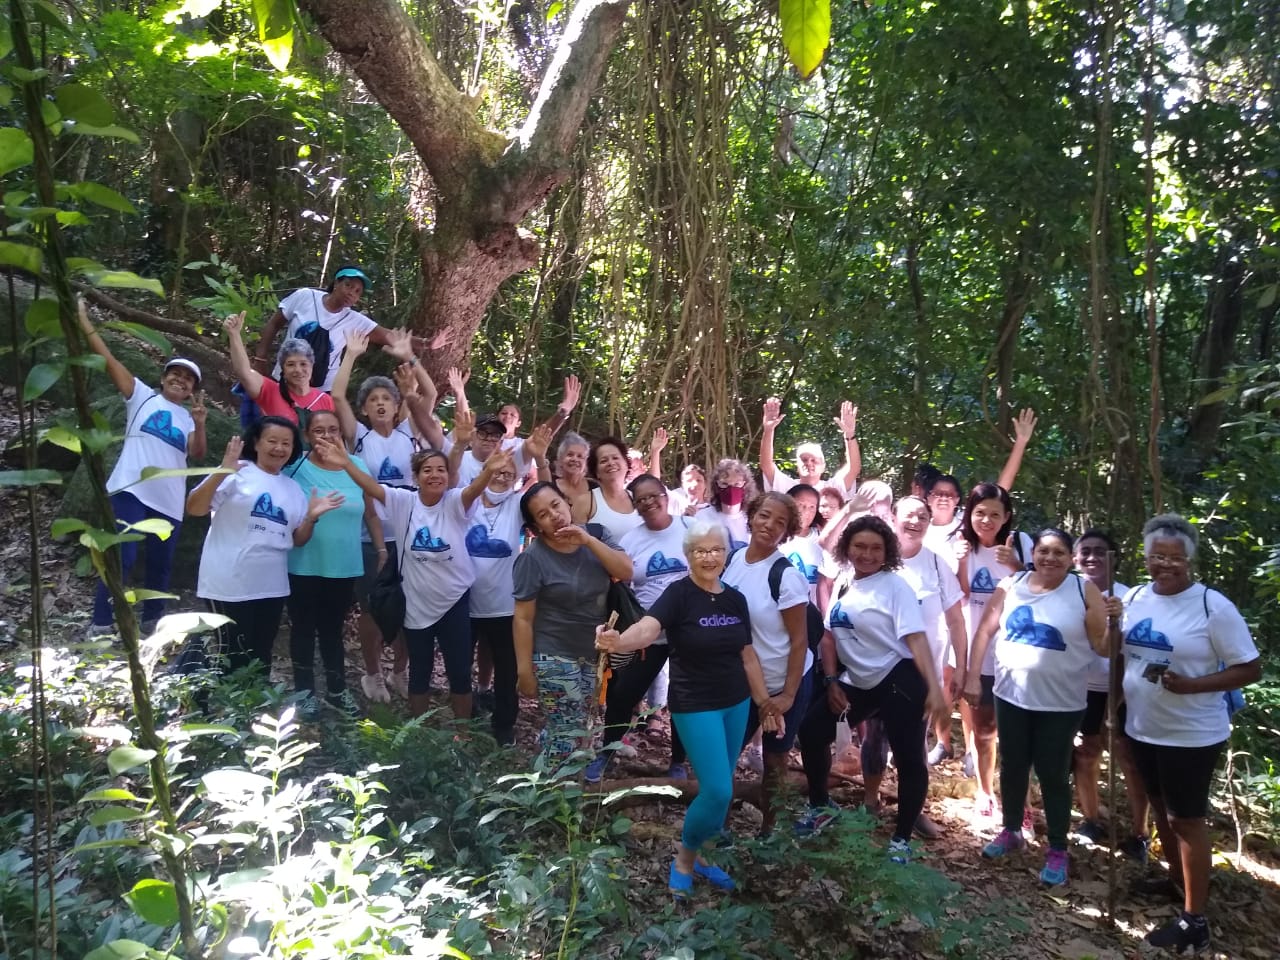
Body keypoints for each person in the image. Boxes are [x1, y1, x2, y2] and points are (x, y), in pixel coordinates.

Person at [595, 520, 778, 897]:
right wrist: (618, 641)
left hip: (736, 702)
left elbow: (748, 657)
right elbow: (648, 628)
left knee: (721, 788)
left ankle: (707, 856)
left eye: (715, 550)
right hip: (695, 703)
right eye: (700, 551)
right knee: (717, 790)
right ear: (688, 556)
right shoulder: (679, 594)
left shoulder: (735, 599)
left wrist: (764, 703)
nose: (708, 557)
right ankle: (685, 857)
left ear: (726, 554)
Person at [1104, 514, 1260, 955]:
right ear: (1146, 557)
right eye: (1157, 556)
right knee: (1159, 806)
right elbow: (1121, 656)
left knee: (1185, 819)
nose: (1165, 564)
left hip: (1191, 732)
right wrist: (1115, 701)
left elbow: (1249, 667)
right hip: (1142, 726)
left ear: (1189, 559)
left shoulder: (1213, 606)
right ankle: (1177, 882)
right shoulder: (1134, 596)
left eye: (1174, 557)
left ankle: (1196, 920)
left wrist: (1193, 685)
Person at [320, 416, 504, 720]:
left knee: (459, 671)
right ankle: (416, 734)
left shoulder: (455, 501)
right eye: (427, 470)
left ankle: (462, 733)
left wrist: (487, 472)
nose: (435, 475)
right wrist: (347, 464)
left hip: (454, 601)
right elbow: (372, 487)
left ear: (448, 476)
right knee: (419, 670)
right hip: (416, 603)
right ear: (416, 477)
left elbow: (472, 492)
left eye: (441, 470)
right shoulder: (403, 501)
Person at [797, 515, 948, 861]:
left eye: (876, 548)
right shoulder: (846, 582)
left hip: (900, 678)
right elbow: (831, 636)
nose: (867, 554)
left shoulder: (895, 587)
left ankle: (901, 838)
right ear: (848, 548)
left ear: (887, 552)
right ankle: (821, 805)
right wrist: (833, 680)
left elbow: (916, 637)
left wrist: (936, 689)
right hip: (858, 680)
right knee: (812, 730)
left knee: (910, 759)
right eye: (860, 546)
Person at [964, 529, 1109, 886]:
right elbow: (985, 631)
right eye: (1043, 551)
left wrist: (1114, 623)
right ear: (1033, 554)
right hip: (1011, 695)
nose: (1050, 558)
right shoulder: (1012, 584)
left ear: (1071, 558)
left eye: (1059, 552)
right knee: (1013, 766)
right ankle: (1011, 829)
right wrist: (971, 677)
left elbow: (1103, 647)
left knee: (1053, 773)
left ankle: (1058, 848)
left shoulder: (1082, 590)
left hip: (1061, 702)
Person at [79, 301, 207, 638]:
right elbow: (110, 361)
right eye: (175, 374)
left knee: (160, 565)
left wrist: (200, 424)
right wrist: (82, 319)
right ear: (163, 378)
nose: (181, 381)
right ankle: (103, 623)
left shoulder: (187, 417)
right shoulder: (142, 396)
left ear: (193, 389)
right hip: (131, 489)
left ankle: (152, 621)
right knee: (123, 554)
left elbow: (197, 452)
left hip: (168, 499)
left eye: (188, 379)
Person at [185, 418, 342, 675]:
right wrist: (223, 471)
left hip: (271, 587)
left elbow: (296, 539)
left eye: (286, 443)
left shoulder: (292, 489)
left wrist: (312, 516)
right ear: (256, 443)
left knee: (261, 656)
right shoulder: (238, 472)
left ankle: (255, 712)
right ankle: (226, 711)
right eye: (272, 441)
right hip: (229, 585)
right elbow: (195, 507)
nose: (279, 448)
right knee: (232, 655)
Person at [513, 481, 633, 759]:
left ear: (567, 503)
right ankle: (552, 793)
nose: (554, 515)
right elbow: (522, 618)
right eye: (543, 514)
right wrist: (524, 671)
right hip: (553, 656)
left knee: (578, 728)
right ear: (536, 527)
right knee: (567, 732)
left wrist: (588, 541)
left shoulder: (597, 534)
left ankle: (559, 785)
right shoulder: (533, 558)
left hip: (594, 655)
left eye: (555, 505)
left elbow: (626, 571)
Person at [872, 496, 966, 834]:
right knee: (875, 737)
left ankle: (912, 813)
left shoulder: (938, 565)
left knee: (914, 744)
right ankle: (870, 800)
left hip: (923, 671)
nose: (915, 521)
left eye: (923, 516)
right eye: (909, 514)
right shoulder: (877, 558)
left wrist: (961, 668)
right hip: (878, 667)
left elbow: (956, 621)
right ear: (893, 517)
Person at [590, 475, 693, 782]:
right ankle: (607, 751)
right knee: (623, 694)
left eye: (654, 496)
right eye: (641, 499)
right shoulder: (631, 540)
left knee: (683, 698)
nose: (649, 503)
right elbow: (619, 584)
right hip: (648, 631)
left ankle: (678, 761)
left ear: (665, 495)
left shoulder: (691, 529)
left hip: (689, 631)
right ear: (635, 505)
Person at [721, 492, 812, 834]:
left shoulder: (786, 576)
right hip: (742, 682)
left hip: (783, 681)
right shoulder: (732, 560)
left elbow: (800, 641)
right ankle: (720, 830)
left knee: (775, 762)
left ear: (787, 532)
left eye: (780, 523)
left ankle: (769, 833)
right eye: (764, 516)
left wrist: (787, 695)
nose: (770, 526)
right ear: (751, 515)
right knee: (726, 757)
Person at [282, 410, 377, 716]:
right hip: (303, 562)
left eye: (333, 430)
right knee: (303, 629)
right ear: (307, 435)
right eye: (319, 431)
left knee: (333, 630)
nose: (326, 436)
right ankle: (304, 693)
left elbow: (371, 511)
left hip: (344, 564)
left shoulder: (357, 466)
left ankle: (337, 690)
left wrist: (381, 548)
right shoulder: (294, 468)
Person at [466, 426, 552, 745]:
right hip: (463, 602)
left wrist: (541, 460)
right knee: (461, 668)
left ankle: (504, 729)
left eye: (509, 472)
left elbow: (545, 493)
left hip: (505, 604)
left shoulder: (517, 505)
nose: (503, 476)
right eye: (497, 470)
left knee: (506, 670)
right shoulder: (468, 497)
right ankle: (464, 723)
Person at [1069, 530, 1149, 858]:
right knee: (1085, 753)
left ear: (1114, 557)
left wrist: (1119, 701)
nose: (1092, 557)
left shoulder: (1130, 598)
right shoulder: (1068, 590)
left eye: (1100, 551)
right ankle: (1090, 819)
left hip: (1122, 689)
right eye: (1085, 551)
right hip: (1079, 688)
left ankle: (1139, 833)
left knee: (1129, 758)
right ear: (1074, 558)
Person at [956, 482, 1035, 815]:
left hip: (1017, 654)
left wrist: (1017, 565)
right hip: (976, 652)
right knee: (984, 729)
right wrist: (959, 562)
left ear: (1006, 517)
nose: (986, 520)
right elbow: (959, 594)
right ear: (969, 514)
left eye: (994, 514)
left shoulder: (1023, 544)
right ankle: (986, 792)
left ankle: (1022, 801)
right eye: (979, 513)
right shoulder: (960, 546)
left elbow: (1040, 589)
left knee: (1018, 735)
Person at [250, 264, 428, 393]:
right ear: (336, 283)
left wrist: (426, 343)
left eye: (358, 291)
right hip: (283, 378)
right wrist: (260, 358)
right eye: (348, 285)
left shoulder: (355, 320)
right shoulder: (305, 297)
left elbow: (389, 336)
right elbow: (274, 323)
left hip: (320, 390)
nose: (352, 292)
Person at [226, 312, 333, 428]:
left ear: (312, 366)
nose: (298, 370)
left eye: (303, 364)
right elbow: (244, 372)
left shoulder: (325, 400)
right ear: (283, 369)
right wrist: (234, 334)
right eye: (291, 364)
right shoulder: (270, 390)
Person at [759, 397, 861, 495]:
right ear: (797, 466)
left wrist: (849, 434)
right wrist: (769, 430)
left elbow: (854, 468)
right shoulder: (787, 486)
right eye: (804, 459)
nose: (808, 463)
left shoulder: (832, 488)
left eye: (814, 460)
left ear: (823, 466)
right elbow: (766, 465)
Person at [576, 436, 643, 541]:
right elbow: (575, 546)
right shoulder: (585, 503)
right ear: (596, 472)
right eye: (603, 461)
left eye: (615, 458)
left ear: (626, 464)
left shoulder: (638, 498)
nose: (611, 463)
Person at [697, 458, 756, 550]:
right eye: (724, 484)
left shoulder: (753, 519)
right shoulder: (702, 517)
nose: (731, 488)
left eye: (737, 484)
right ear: (716, 485)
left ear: (746, 485)